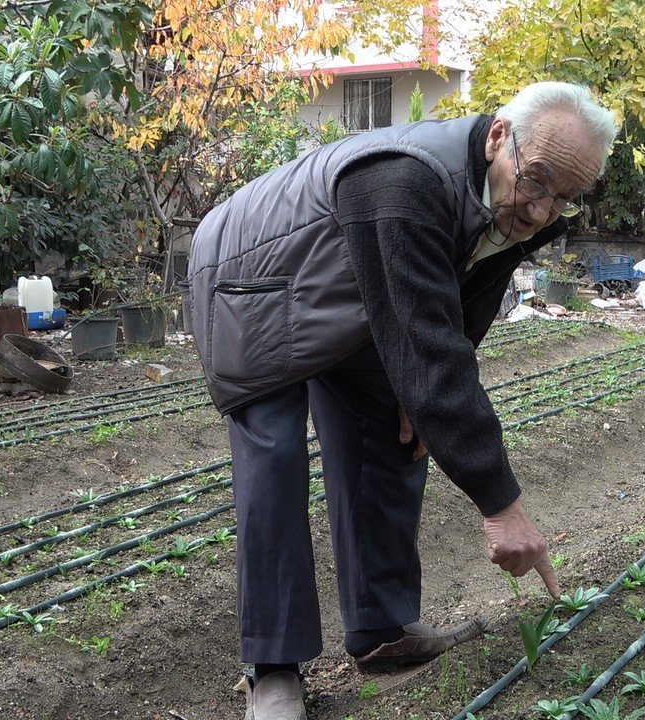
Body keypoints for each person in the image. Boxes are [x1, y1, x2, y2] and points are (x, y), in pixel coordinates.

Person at [188, 81, 617, 720]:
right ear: (499, 137)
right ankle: (272, 667)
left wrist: (417, 392)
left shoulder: (520, 198)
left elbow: (466, 297)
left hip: (350, 280)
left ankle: (381, 629)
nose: (541, 212)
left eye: (565, 199)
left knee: (392, 428)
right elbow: (429, 349)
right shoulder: (404, 183)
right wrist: (501, 504)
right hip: (253, 276)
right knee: (274, 452)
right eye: (537, 183)